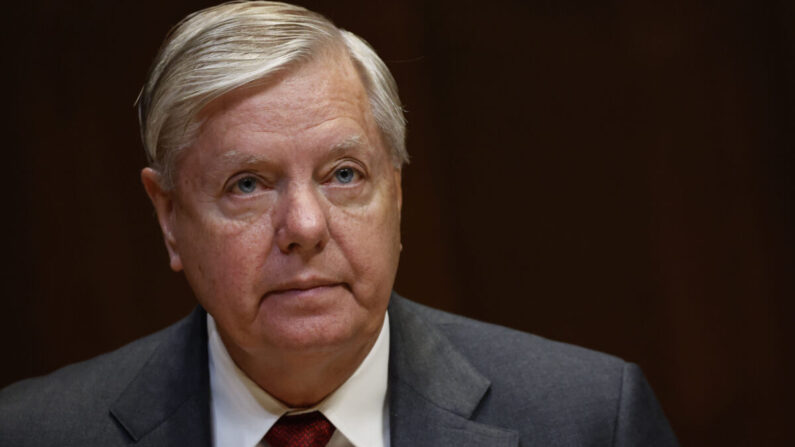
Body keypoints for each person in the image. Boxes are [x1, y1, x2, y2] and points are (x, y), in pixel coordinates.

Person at [0, 1, 678, 445]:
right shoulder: (35, 433)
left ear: (397, 193)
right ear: (169, 217)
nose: (303, 225)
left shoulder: (589, 420)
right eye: (247, 183)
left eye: (344, 174)